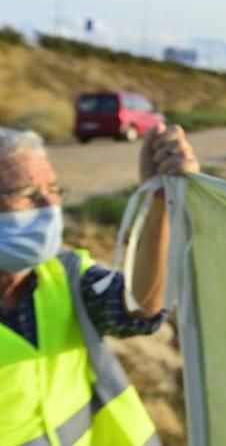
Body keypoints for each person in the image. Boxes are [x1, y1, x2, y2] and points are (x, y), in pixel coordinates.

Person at [0, 123, 199, 445]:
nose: (50, 206)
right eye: (26, 194)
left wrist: (158, 203)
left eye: (53, 189)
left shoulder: (64, 273)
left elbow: (139, 308)